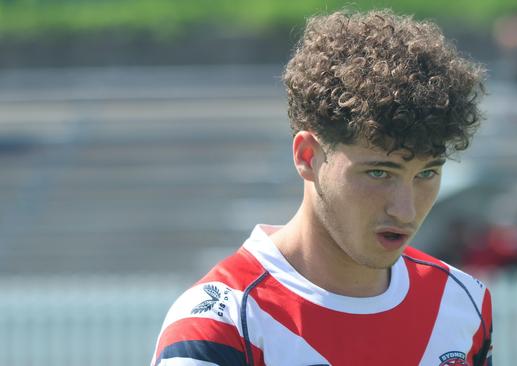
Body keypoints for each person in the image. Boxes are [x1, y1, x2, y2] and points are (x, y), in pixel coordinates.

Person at [151, 9, 492, 366]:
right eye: (379, 173)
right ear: (307, 156)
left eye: (426, 174)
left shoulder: (462, 302)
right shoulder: (223, 320)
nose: (404, 210)